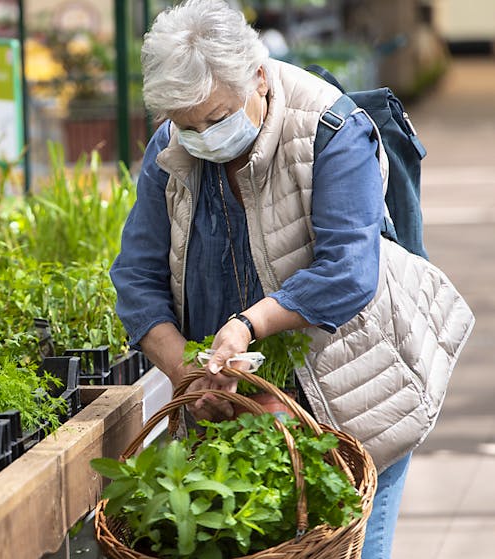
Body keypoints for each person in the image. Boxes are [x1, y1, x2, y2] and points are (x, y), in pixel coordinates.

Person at [109, 1, 475, 558]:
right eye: (186, 124)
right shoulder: (171, 147)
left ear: (258, 75)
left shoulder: (329, 126)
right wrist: (190, 371)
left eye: (216, 118)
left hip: (350, 398)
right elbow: (136, 278)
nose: (202, 136)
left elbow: (349, 270)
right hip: (235, 406)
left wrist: (244, 327)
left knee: (346, 543)